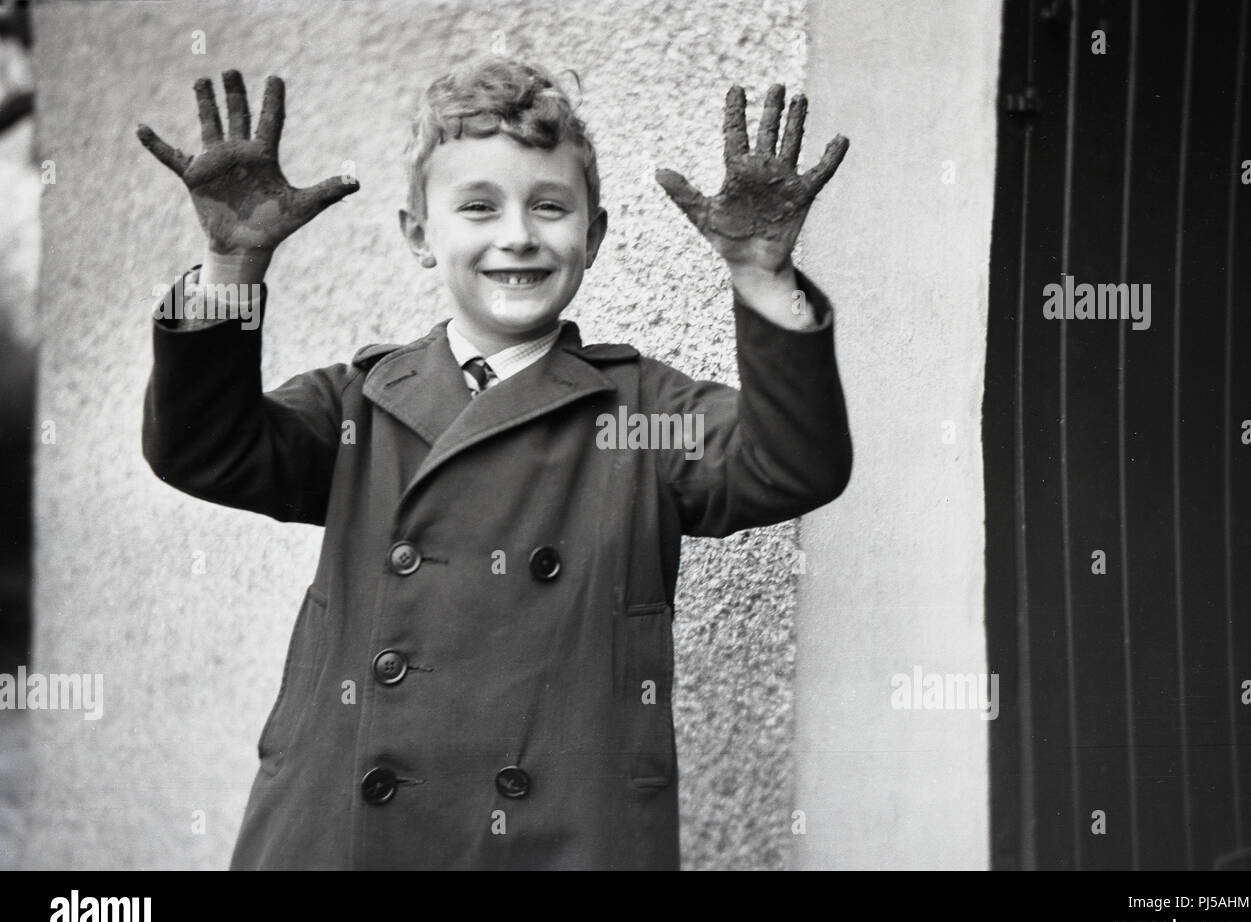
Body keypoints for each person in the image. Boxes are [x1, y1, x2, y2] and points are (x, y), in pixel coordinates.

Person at [137, 58, 852, 869]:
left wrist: (762, 278)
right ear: (419, 235)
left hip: (561, 841)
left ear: (594, 236)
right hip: (343, 836)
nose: (517, 234)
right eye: (478, 207)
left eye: (550, 207)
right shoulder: (357, 404)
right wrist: (233, 270)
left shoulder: (642, 415)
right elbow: (203, 448)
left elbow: (790, 464)